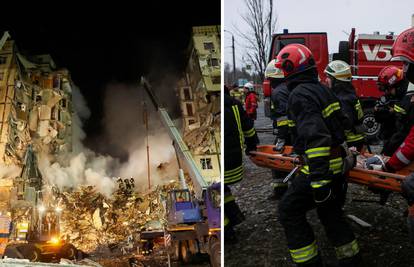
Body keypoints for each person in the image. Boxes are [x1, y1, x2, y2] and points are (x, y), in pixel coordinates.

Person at [275, 44, 360, 266]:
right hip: (336, 165)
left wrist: (319, 182)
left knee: (288, 211)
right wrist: (299, 151)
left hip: (320, 169)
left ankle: (309, 262)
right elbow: (340, 124)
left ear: (289, 68)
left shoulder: (299, 95)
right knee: (330, 214)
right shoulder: (323, 89)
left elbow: (316, 138)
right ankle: (351, 259)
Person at [224, 85, 259, 242]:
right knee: (222, 191)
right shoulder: (235, 104)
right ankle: (234, 215)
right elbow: (249, 129)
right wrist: (252, 147)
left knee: (214, 194)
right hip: (235, 161)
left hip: (222, 165)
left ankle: (227, 231)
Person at [324, 60, 366, 151]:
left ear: (337, 80)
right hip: (357, 139)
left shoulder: (343, 99)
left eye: (328, 77)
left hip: (350, 142)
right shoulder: (349, 94)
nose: (325, 80)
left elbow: (346, 124)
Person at [265, 59, 291, 198]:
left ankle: (281, 191)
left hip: (287, 134)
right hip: (293, 132)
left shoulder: (279, 92)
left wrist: (281, 138)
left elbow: (283, 118)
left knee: (277, 160)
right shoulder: (287, 88)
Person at [375, 66, 410, 156]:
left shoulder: (407, 98)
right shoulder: (393, 96)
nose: (386, 92)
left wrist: (392, 111)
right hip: (389, 138)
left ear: (396, 85)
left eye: (387, 89)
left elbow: (402, 131)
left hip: (399, 144)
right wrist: (380, 112)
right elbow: (381, 119)